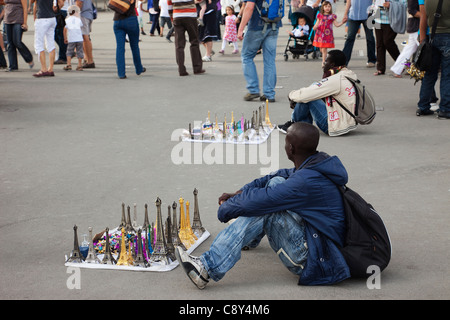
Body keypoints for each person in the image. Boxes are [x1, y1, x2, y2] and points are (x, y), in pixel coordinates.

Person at [175, 121, 351, 289]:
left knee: (268, 208)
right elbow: (274, 178)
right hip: (317, 240)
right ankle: (250, 239)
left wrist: (226, 209)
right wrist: (239, 194)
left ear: (291, 148)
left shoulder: (306, 181)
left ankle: (206, 268)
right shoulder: (315, 164)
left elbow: (264, 200)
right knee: (276, 182)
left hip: (316, 260)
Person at [278, 50, 358, 137]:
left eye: (326, 60)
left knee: (307, 97)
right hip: (347, 121)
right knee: (310, 91)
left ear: (332, 64)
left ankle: (297, 125)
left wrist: (291, 95)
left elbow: (307, 94)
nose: (323, 63)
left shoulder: (335, 80)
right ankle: (302, 124)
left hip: (335, 126)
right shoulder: (347, 74)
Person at [238, 0, 282, 102]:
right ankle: (269, 93)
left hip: (257, 25)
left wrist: (241, 28)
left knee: (246, 56)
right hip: (274, 24)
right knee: (270, 60)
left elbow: (249, 7)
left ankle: (253, 89)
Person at [416, 0, 450, 119]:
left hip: (432, 37)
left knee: (429, 74)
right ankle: (445, 109)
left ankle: (423, 106)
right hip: (447, 36)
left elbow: (423, 18)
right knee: (447, 75)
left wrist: (422, 39)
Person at [112, 0, 146, 79]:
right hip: (131, 19)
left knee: (120, 48)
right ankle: (138, 69)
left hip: (117, 20)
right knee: (134, 46)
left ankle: (121, 73)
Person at [372, 0, 406, 76]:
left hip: (391, 21)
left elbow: (404, 3)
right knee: (379, 44)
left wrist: (391, 5)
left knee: (388, 42)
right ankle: (380, 68)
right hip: (378, 19)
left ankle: (401, 64)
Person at [171, 0, 205, 76]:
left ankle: (181, 69)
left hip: (177, 15)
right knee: (194, 42)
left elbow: (169, 3)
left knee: (179, 45)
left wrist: (171, 16)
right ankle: (197, 68)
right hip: (190, 15)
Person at [32, 0, 63, 77]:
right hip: (52, 18)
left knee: (39, 44)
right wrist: (56, 8)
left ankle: (43, 69)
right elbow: (61, 3)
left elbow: (32, 1)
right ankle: (50, 69)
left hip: (42, 18)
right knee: (50, 43)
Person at [341, 0, 377, 68]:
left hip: (368, 15)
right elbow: (349, 1)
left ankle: (372, 60)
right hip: (353, 15)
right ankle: (344, 61)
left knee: (370, 37)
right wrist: (345, 14)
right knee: (349, 38)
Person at [390, 0, 420, 78]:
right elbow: (412, 10)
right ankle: (425, 70)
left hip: (415, 25)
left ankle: (397, 69)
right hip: (416, 26)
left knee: (408, 49)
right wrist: (426, 16)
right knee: (424, 48)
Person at [3, 0, 34, 72]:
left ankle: (29, 58)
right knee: (10, 44)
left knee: (17, 42)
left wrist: (25, 23)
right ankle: (13, 66)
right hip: (7, 19)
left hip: (18, 19)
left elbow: (25, 8)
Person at [312, 0, 344, 66]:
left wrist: (342, 22)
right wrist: (314, 27)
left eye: (329, 6)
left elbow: (336, 25)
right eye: (326, 6)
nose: (327, 8)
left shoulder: (332, 16)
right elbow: (317, 24)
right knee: (321, 49)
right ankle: (325, 57)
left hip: (327, 35)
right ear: (323, 8)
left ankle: (324, 62)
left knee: (324, 49)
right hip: (320, 34)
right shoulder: (320, 15)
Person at [63, 4, 83, 71]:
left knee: (69, 51)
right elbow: (80, 27)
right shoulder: (79, 20)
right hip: (79, 38)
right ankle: (79, 65)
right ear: (76, 12)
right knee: (79, 51)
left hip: (71, 39)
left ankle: (69, 64)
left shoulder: (67, 20)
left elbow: (65, 30)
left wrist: (65, 38)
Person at [76, 0, 95, 68]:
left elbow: (79, 3)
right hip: (88, 14)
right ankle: (87, 58)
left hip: (83, 15)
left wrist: (74, 15)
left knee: (85, 37)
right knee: (85, 37)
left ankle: (90, 61)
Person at [54, 0, 68, 65]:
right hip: (63, 11)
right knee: (58, 35)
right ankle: (67, 50)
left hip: (62, 11)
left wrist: (57, 9)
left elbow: (62, 3)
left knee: (60, 35)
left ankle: (62, 57)